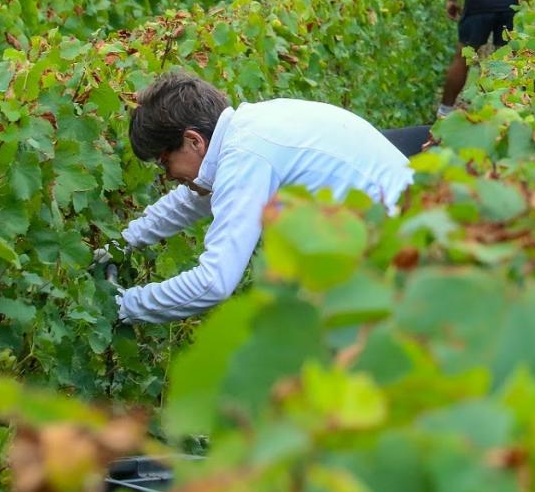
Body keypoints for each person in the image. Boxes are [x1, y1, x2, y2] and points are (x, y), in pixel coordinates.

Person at [107, 70, 414, 324]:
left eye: (164, 161)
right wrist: (122, 243)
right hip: (401, 231)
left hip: (400, 260)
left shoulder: (246, 155)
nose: (169, 175)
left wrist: (123, 307)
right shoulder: (248, 129)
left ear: (193, 141)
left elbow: (214, 283)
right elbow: (191, 200)